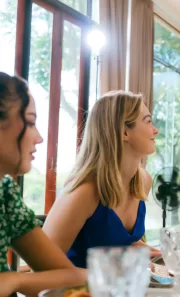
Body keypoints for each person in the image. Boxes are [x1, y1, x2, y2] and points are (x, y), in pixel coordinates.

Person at [43, 91, 161, 268]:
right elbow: (43, 265)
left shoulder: (143, 181)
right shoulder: (84, 191)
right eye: (148, 121)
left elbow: (116, 242)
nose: (155, 130)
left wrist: (163, 253)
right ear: (124, 132)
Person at [0, 72, 85, 296]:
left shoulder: (5, 195)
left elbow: (71, 276)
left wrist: (14, 280)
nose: (39, 138)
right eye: (30, 123)